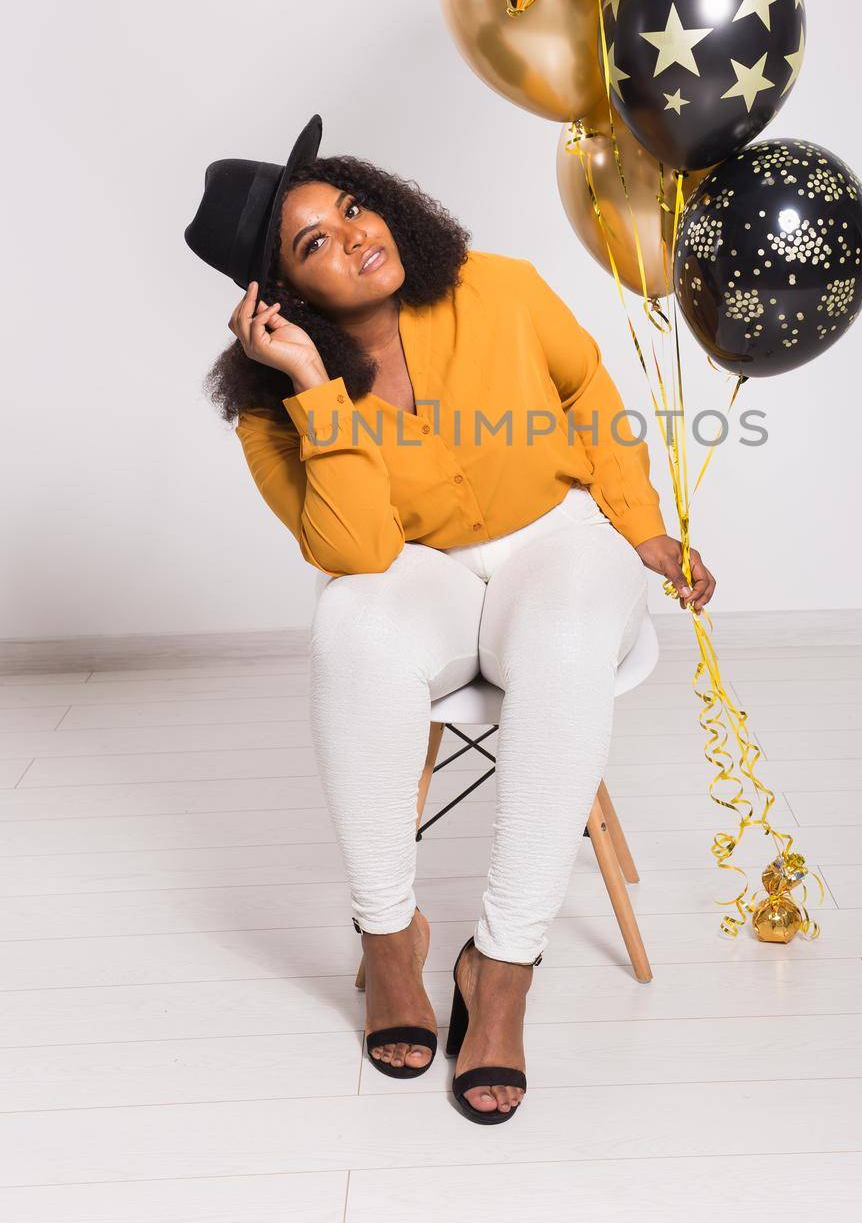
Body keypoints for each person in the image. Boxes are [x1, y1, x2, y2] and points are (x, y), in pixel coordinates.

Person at [184, 114, 715, 1123]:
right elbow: (357, 552)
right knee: (350, 622)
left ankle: (502, 965)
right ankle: (391, 938)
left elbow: (587, 389)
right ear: (283, 298)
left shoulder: (498, 285)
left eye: (350, 206)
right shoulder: (271, 410)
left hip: (555, 537)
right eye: (315, 242)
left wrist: (643, 529)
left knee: (560, 640)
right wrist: (310, 387)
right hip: (419, 566)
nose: (355, 234)